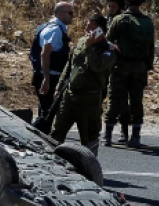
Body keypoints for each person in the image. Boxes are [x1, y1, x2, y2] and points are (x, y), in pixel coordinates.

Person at [50, 14, 116, 154]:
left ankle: (88, 170)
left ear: (100, 30)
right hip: (70, 96)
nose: (87, 28)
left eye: (92, 26)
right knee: (56, 134)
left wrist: (90, 47)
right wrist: (59, 87)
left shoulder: (108, 49)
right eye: (87, 24)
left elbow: (97, 66)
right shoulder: (81, 42)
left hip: (89, 100)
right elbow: (69, 66)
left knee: (89, 139)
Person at [104, 0, 154, 148]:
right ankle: (135, 136)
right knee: (136, 101)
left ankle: (108, 136)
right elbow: (151, 48)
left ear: (126, 1)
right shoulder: (148, 22)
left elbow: (107, 41)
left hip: (120, 66)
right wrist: (147, 66)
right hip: (139, 67)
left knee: (115, 99)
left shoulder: (119, 20)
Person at [29, 2, 74, 130]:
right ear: (60, 14)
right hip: (49, 76)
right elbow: (45, 53)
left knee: (47, 111)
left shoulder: (52, 27)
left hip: (49, 76)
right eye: (70, 13)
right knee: (49, 114)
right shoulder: (54, 30)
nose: (73, 16)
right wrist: (46, 79)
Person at [104, 0, 129, 143]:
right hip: (105, 64)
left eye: (113, 6)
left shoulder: (125, 21)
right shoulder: (108, 19)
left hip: (121, 65)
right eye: (109, 6)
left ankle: (123, 132)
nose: (110, 8)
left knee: (120, 100)